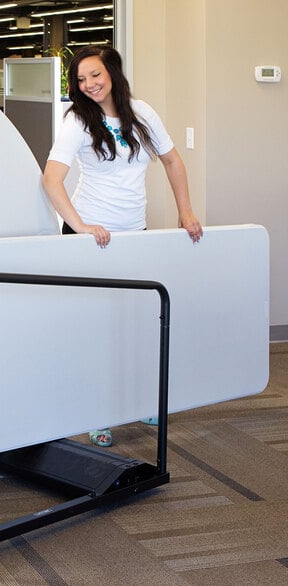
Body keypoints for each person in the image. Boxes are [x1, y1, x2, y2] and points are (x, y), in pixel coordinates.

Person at [42, 45, 203, 447]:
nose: (88, 85)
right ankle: (99, 410)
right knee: (96, 328)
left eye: (94, 75)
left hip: (135, 232)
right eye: (80, 79)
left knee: (134, 320)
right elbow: (51, 179)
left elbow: (172, 161)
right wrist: (78, 225)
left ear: (111, 72)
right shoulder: (77, 120)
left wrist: (185, 211)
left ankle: (134, 400)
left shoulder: (142, 113)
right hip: (91, 237)